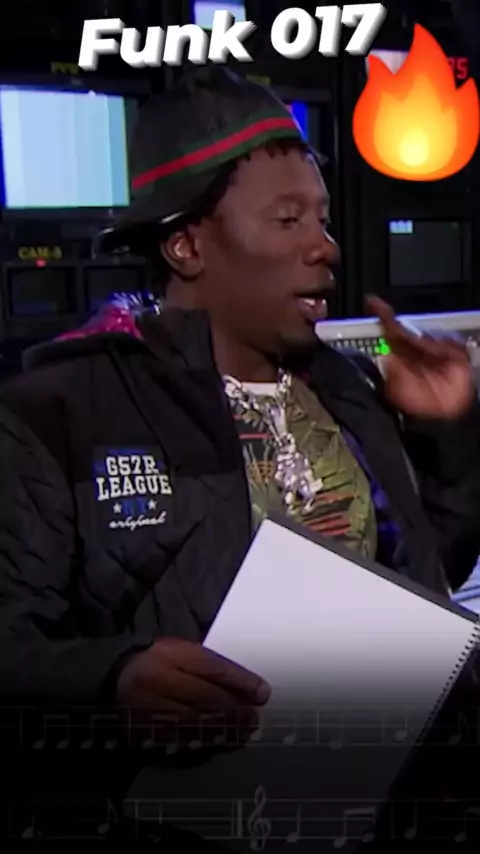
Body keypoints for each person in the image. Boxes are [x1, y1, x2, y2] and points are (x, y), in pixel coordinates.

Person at [0, 67, 480, 846]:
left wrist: (446, 433)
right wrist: (114, 679)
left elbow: (423, 581)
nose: (325, 247)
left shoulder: (349, 385)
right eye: (288, 220)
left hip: (372, 809)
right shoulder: (58, 410)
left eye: (322, 220)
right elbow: (13, 643)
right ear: (187, 244)